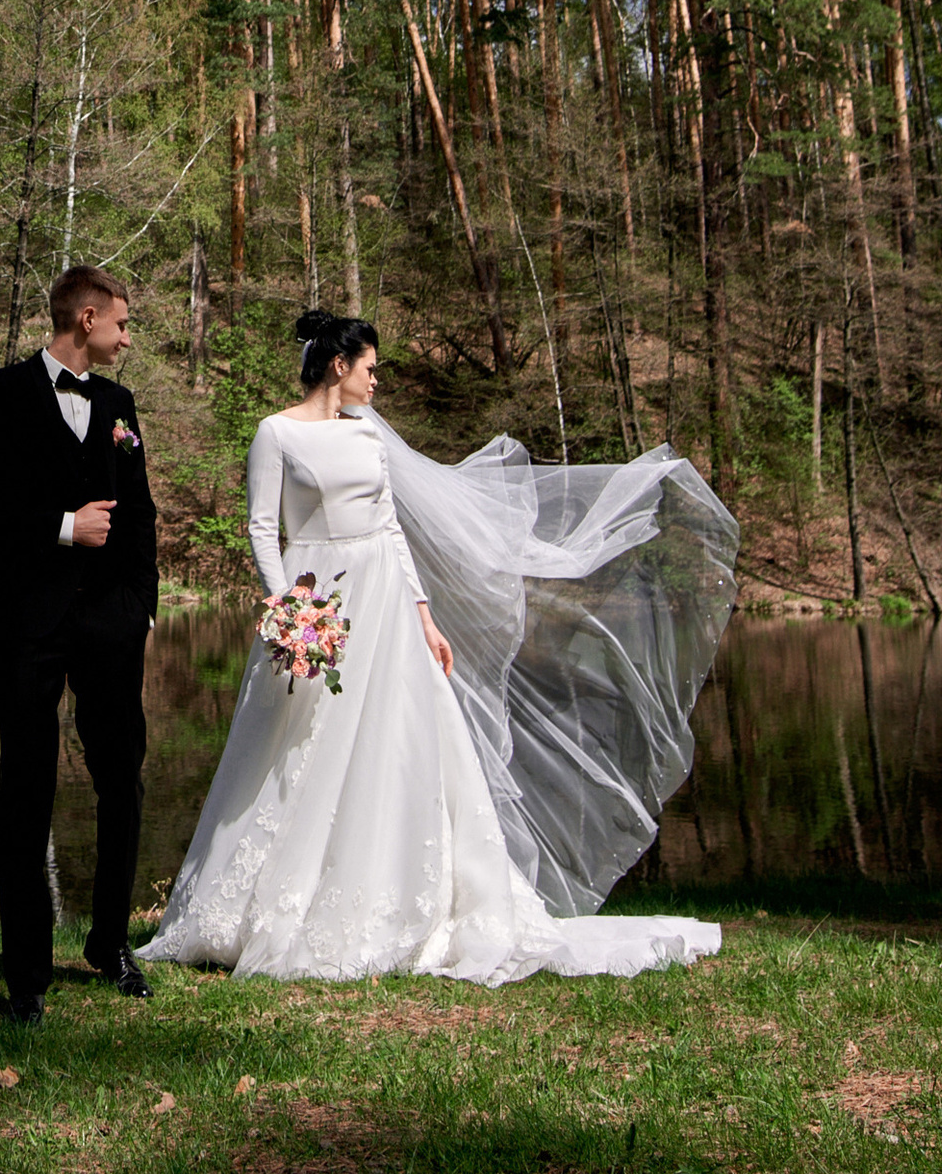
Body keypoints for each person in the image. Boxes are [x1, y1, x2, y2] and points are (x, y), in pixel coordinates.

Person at [141, 309, 738, 985]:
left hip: (386, 604)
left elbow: (390, 528)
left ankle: (402, 900)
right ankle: (258, 906)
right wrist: (288, 611)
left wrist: (424, 615)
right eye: (371, 367)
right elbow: (259, 527)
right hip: (317, 598)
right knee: (295, 744)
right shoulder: (276, 434)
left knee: (399, 742)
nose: (377, 379)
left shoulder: (367, 436)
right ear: (338, 365)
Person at [0, 264, 158, 1024]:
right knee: (27, 792)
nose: (127, 338)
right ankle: (27, 979)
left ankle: (110, 942)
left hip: (109, 627)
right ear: (88, 318)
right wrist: (63, 527)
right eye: (122, 325)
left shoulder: (121, 405)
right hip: (27, 626)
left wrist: (144, 610)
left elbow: (138, 516)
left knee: (121, 781)